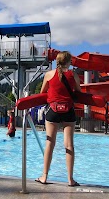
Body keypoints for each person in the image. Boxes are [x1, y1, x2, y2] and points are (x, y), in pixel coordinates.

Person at [35, 51, 81, 187]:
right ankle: (70, 180)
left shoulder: (49, 74)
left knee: (50, 143)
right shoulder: (74, 75)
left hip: (53, 112)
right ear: (69, 62)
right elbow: (78, 92)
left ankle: (44, 176)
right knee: (69, 145)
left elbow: (42, 92)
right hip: (68, 112)